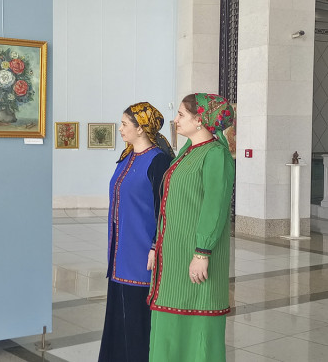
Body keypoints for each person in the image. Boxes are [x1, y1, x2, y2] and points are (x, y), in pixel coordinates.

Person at [147, 93, 235, 362]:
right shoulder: (187, 152)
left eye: (181, 114)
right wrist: (156, 246)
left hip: (195, 256)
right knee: (168, 323)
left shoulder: (216, 154)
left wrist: (202, 252)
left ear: (200, 120)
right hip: (173, 255)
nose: (175, 120)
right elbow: (170, 205)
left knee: (199, 329)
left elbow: (215, 207)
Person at [98, 102, 174, 362]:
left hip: (142, 255)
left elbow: (164, 209)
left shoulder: (158, 161)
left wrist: (155, 245)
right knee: (118, 317)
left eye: (124, 124)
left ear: (140, 128)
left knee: (136, 319)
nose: (120, 129)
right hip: (119, 254)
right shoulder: (126, 157)